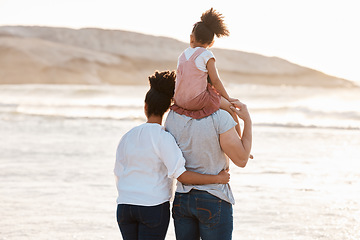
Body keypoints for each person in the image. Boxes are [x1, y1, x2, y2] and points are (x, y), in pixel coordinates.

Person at [114, 70, 230, 240]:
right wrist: (217, 179)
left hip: (124, 207)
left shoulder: (127, 136)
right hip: (152, 207)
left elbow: (118, 171)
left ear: (145, 106)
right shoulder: (163, 137)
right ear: (168, 108)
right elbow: (181, 175)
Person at [165, 99, 252, 239]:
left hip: (182, 198)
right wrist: (247, 120)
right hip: (213, 196)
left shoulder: (172, 117)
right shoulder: (220, 117)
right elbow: (242, 160)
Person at [171, 8, 241, 134]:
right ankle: (240, 145)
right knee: (230, 110)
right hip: (197, 101)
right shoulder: (206, 55)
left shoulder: (182, 55)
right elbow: (215, 81)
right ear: (212, 43)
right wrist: (228, 98)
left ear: (192, 38)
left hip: (179, 101)